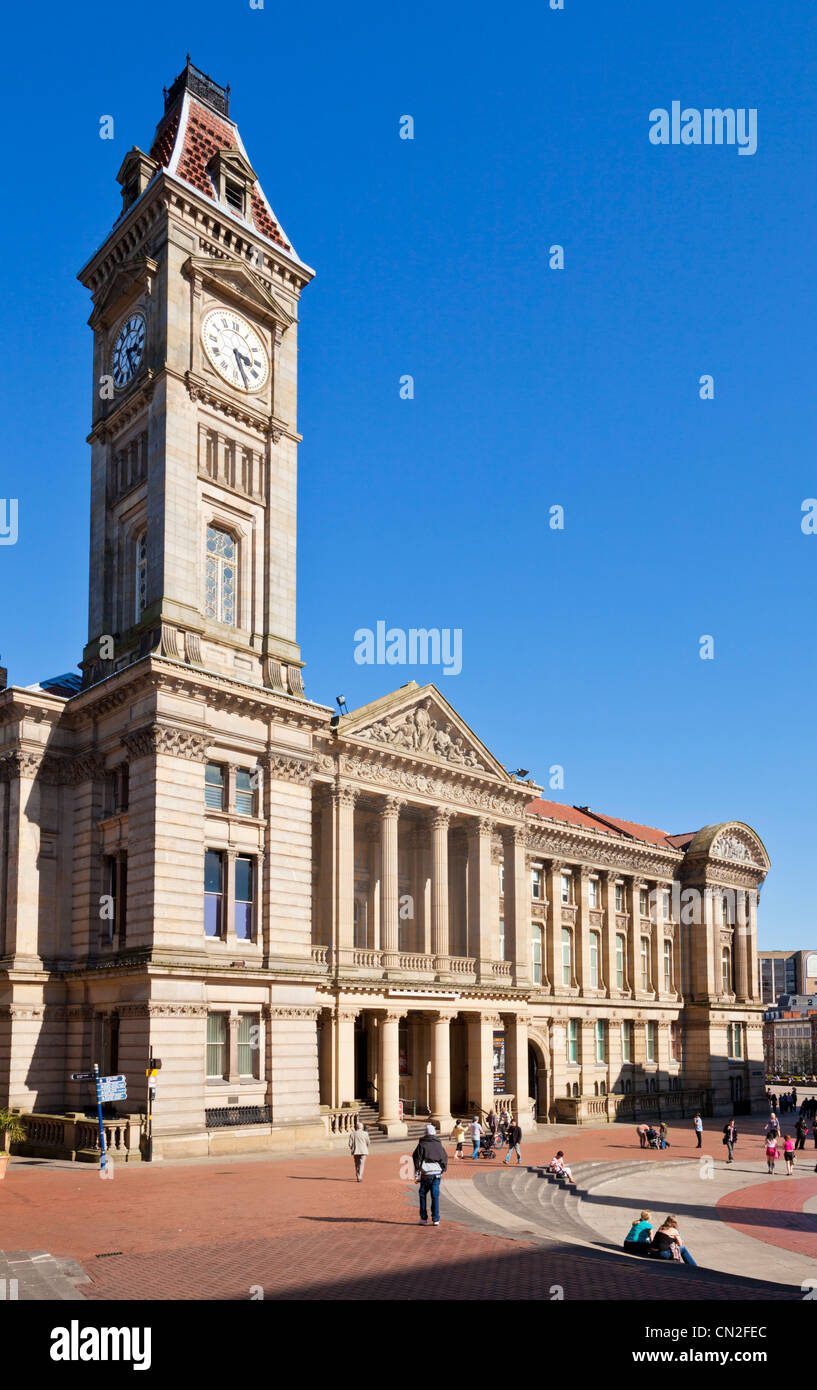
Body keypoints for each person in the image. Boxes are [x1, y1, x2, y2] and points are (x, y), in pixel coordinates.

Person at [412, 1122, 448, 1226]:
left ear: (425, 1133)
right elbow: (444, 1157)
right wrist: (443, 1168)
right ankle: (436, 1219)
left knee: (423, 1193)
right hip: (437, 1172)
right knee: (435, 1195)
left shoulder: (422, 1144)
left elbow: (416, 1157)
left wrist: (417, 1173)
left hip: (426, 1172)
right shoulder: (438, 1143)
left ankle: (424, 1218)